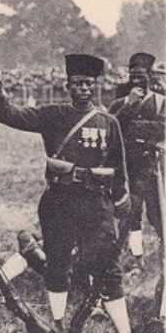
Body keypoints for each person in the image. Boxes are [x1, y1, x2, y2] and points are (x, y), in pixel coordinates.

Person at [0, 53, 132, 332]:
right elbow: (7, 114)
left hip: (96, 204)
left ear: (96, 85)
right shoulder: (52, 115)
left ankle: (125, 329)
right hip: (58, 202)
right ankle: (58, 324)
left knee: (108, 268)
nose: (84, 89)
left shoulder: (108, 122)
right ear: (68, 85)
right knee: (57, 265)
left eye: (88, 83)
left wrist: (121, 198)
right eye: (77, 83)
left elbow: (118, 164)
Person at [109, 53, 166, 317]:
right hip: (128, 171)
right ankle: (122, 268)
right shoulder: (121, 101)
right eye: (133, 75)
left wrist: (136, 130)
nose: (137, 80)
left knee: (158, 219)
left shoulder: (161, 101)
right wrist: (129, 107)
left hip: (154, 173)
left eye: (142, 75)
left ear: (151, 76)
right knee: (125, 219)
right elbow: (112, 127)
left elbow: (162, 128)